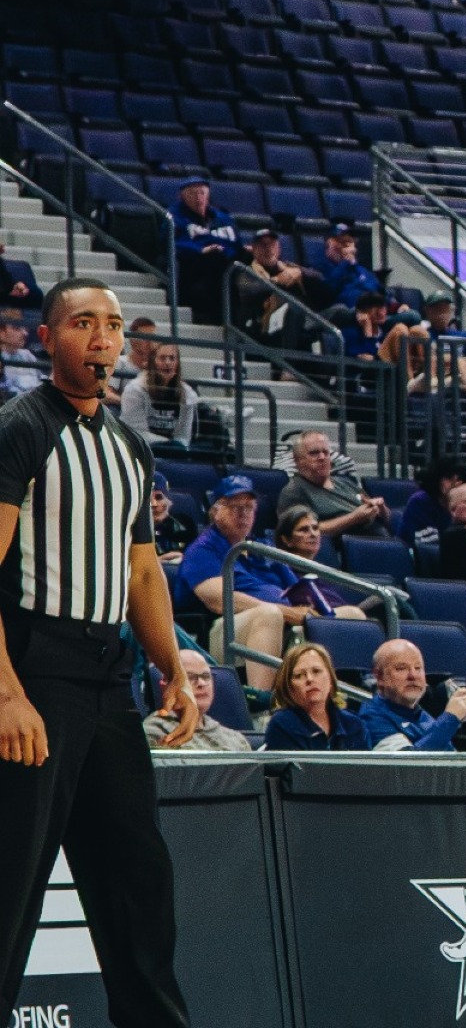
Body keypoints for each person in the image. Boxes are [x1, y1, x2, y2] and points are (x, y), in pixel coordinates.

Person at [0, 277, 199, 1028]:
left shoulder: (129, 445)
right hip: (33, 670)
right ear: (50, 338)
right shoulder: (19, 428)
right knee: (11, 887)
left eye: (112, 324)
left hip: (107, 681)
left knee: (136, 884)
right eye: (83, 322)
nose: (102, 336)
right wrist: (6, 694)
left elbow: (140, 568)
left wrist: (172, 667)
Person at [178, 476, 313, 686]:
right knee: (269, 614)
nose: (243, 513)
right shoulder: (203, 550)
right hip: (219, 630)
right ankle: (261, 702)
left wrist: (316, 612)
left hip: (284, 623)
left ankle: (345, 700)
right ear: (216, 512)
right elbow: (219, 601)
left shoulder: (261, 549)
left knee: (348, 615)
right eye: (234, 507)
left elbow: (298, 591)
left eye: (248, 507)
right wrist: (286, 612)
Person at [358, 638, 466, 752]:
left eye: (418, 668)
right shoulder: (372, 716)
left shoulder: (421, 715)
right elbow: (407, 768)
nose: (413, 675)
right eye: (401, 668)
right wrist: (450, 719)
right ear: (379, 677)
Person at [278, 429, 389, 537]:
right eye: (314, 453)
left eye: (326, 452)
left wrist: (381, 509)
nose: (322, 457)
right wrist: (354, 518)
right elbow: (304, 532)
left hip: (384, 541)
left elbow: (387, 519)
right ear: (297, 460)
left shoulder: (347, 483)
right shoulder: (294, 491)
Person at [141, 649, 249, 752]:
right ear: (166, 685)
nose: (201, 683)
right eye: (190, 677)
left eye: (206, 676)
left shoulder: (237, 740)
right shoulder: (153, 733)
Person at [263, 644, 368, 750]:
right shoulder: (282, 725)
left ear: (331, 679)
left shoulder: (354, 725)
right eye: (299, 675)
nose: (310, 679)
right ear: (289, 688)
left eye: (316, 671)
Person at [171, 177, 238, 324]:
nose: (198, 197)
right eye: (193, 194)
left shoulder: (223, 218)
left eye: (202, 193)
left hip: (227, 260)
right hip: (194, 266)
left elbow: (236, 243)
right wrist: (200, 250)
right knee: (217, 261)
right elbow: (172, 244)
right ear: (182, 196)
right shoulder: (174, 218)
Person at [242, 229, 320, 355]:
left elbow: (321, 279)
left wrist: (301, 273)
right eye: (263, 245)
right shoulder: (246, 271)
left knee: (341, 311)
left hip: (306, 318)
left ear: (278, 248)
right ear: (254, 249)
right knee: (293, 308)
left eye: (272, 244)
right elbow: (249, 290)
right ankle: (287, 369)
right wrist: (277, 281)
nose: (268, 249)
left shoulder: (289, 267)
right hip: (266, 323)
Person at [116, 343, 199, 455]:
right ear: (152, 363)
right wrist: (170, 444)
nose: (167, 362)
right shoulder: (135, 390)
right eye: (162, 358)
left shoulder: (187, 394)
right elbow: (136, 433)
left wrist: (176, 447)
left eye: (172, 358)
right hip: (140, 451)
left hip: (174, 453)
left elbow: (184, 437)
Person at [397, 456, 465, 549]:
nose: (452, 484)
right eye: (448, 478)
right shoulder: (420, 501)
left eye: (458, 479)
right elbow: (426, 544)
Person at [315, 224, 381, 312]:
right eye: (342, 242)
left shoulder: (359, 269)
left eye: (350, 242)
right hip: (344, 315)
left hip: (372, 311)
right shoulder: (321, 267)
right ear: (330, 244)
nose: (347, 247)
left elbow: (377, 288)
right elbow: (329, 290)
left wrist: (395, 306)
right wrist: (345, 262)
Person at [149, 473, 196, 561]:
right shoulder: (129, 531)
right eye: (147, 499)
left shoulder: (184, 526)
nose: (154, 504)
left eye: (159, 497)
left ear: (169, 502)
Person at [0, 309, 44, 398]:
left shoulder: (27, 355)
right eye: (17, 328)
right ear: (1, 333)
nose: (25, 333)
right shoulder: (2, 361)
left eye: (25, 328)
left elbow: (43, 381)